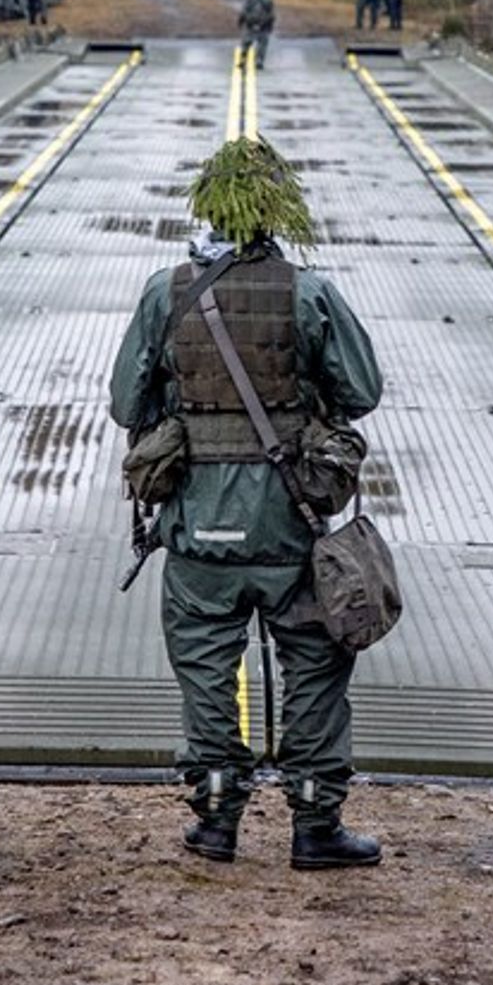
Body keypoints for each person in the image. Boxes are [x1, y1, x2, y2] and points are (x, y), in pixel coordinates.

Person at [108, 138, 385, 870]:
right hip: (292, 524)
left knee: (205, 668)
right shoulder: (310, 291)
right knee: (316, 668)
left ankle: (217, 819)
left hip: (197, 529)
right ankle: (315, 825)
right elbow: (361, 392)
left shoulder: (165, 292)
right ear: (275, 213)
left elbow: (124, 401)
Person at [238, 0, 276, 68]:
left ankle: (243, 59)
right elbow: (271, 13)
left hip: (250, 22)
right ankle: (259, 61)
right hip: (263, 23)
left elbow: (244, 10)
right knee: (262, 44)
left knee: (246, 42)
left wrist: (241, 20)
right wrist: (270, 24)